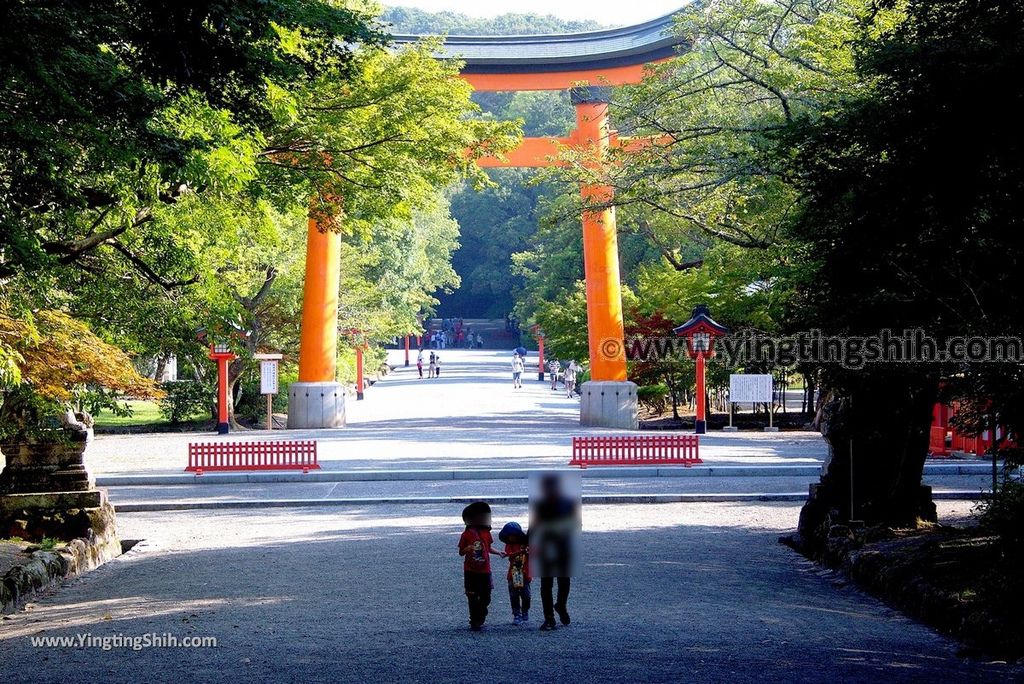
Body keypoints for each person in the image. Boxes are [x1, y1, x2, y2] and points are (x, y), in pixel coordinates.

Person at [532, 474, 580, 632]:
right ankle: (550, 615)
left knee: (559, 580)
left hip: (559, 544)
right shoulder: (544, 504)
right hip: (549, 545)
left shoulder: (565, 503)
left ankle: (558, 607)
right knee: (552, 581)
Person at [459, 501, 500, 631]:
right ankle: (474, 620)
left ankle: (481, 613)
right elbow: (461, 552)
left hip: (485, 570)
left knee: (486, 596)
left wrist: (498, 552)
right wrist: (468, 548)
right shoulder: (466, 534)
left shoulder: (486, 533)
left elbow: (488, 548)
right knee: (471, 595)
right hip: (470, 570)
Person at [498, 521, 531, 624]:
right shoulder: (509, 545)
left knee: (526, 595)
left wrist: (529, 550)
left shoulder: (526, 544)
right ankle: (516, 614)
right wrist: (522, 551)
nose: (511, 538)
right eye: (509, 536)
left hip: (525, 573)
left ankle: (525, 610)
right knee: (514, 594)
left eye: (512, 535)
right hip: (513, 574)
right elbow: (509, 555)